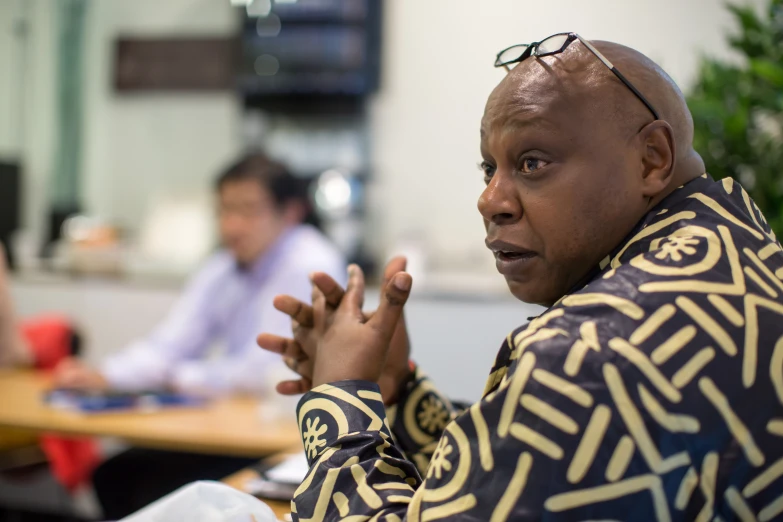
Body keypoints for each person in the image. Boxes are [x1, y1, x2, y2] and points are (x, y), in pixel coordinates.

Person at [259, 34, 783, 520]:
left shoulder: (586, 352)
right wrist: (395, 392)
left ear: (653, 159)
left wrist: (340, 394)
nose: (490, 200)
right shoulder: (741, 246)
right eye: (490, 169)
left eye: (533, 162)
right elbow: (526, 476)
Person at [54, 152, 346, 519]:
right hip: (234, 427)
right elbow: (173, 342)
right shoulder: (225, 265)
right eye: (224, 210)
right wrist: (105, 375)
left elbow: (267, 371)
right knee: (115, 476)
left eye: (248, 210)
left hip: (292, 439)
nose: (232, 225)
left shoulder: (308, 262)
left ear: (290, 212)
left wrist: (181, 378)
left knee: (149, 488)